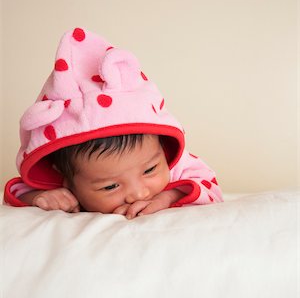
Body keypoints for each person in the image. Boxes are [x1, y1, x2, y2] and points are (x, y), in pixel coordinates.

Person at [4, 28, 223, 218]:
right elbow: (17, 190)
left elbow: (211, 186)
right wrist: (40, 197)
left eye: (150, 170)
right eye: (110, 186)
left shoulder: (176, 166)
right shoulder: (61, 184)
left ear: (162, 148)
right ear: (66, 181)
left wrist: (169, 196)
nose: (139, 193)